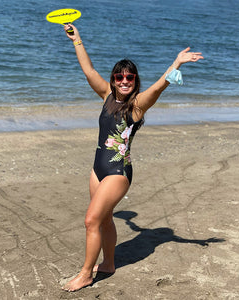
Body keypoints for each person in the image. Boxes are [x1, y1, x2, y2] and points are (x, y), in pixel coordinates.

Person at [62, 24, 204, 292]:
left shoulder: (138, 105)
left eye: (129, 77)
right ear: (113, 79)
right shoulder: (105, 95)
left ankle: (85, 274)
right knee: (105, 219)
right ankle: (108, 264)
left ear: (135, 80)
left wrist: (177, 62)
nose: (124, 81)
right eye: (119, 77)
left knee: (91, 220)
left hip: (118, 172)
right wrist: (76, 39)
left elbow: (161, 86)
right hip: (97, 169)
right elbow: (88, 70)